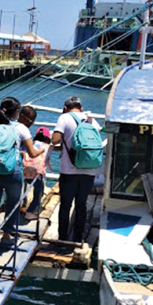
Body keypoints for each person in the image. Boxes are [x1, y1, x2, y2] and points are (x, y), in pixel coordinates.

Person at [0, 97, 45, 257]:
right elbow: (32, 153)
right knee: (13, 203)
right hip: (13, 172)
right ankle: (7, 235)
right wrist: (42, 149)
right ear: (16, 112)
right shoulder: (21, 128)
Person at [52, 96, 101, 242]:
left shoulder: (65, 118)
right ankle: (78, 238)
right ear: (81, 108)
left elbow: (55, 140)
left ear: (65, 108)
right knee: (82, 205)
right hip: (89, 170)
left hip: (69, 171)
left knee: (65, 205)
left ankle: (62, 239)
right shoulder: (91, 119)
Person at [22, 126, 53, 221]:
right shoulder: (47, 147)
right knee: (39, 193)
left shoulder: (31, 144)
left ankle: (24, 205)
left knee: (26, 189)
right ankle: (29, 212)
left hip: (26, 172)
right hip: (37, 174)